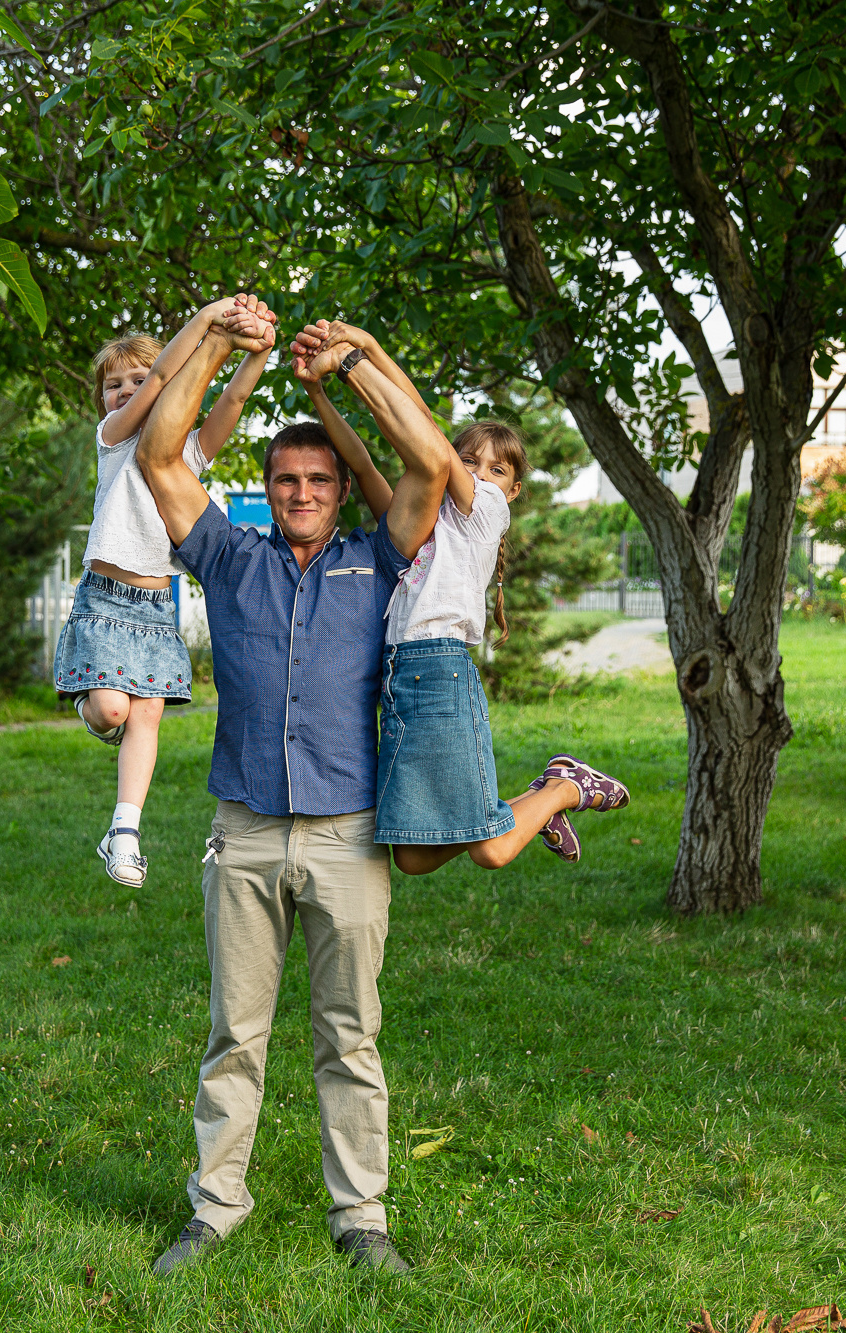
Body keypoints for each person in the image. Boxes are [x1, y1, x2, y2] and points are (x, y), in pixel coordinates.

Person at [133, 302, 452, 1276]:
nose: (304, 491)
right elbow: (157, 456)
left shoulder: (374, 558)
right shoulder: (229, 560)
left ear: (332, 489)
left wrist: (349, 365)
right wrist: (221, 341)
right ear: (264, 490)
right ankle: (215, 1204)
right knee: (237, 1033)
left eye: (318, 479)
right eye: (286, 479)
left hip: (350, 836)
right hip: (245, 830)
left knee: (348, 1034)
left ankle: (360, 1215)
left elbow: (432, 466)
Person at [292, 320, 630, 873]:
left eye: (496, 469)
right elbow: (363, 462)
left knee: (491, 850)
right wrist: (320, 390)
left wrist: (357, 359)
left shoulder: (486, 514)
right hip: (401, 679)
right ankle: (539, 802)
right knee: (412, 857)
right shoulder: (424, 519)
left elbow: (424, 432)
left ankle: (563, 790)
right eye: (470, 461)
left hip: (440, 672)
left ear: (513, 489)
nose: (479, 472)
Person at [54, 297, 274, 887]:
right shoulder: (113, 439)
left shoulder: (184, 457)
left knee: (145, 714)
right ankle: (85, 699)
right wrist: (208, 320)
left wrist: (257, 353)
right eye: (112, 385)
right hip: (104, 600)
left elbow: (230, 401)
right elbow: (158, 380)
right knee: (111, 710)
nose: (123, 391)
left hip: (155, 608)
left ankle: (124, 830)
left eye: (132, 379)